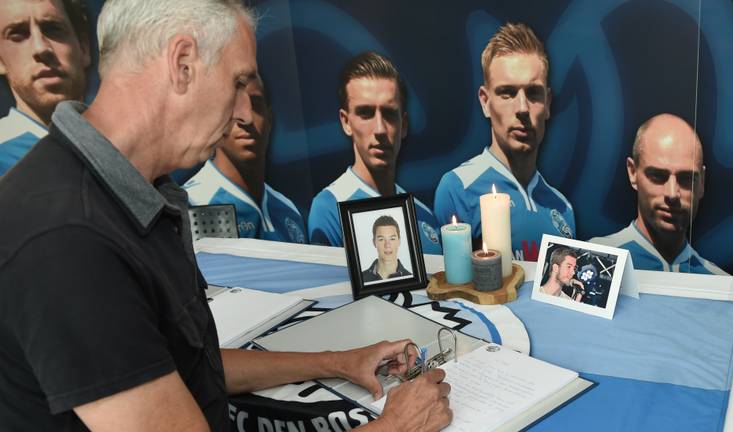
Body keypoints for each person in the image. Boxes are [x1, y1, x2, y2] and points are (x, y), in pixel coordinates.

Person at [0, 1, 452, 431]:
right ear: (183, 64)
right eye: (238, 83)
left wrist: (339, 360)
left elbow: (186, 365)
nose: (243, 115)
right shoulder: (67, 240)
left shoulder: (131, 192)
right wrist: (396, 425)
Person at [434, 23, 575, 261]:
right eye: (507, 93)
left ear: (548, 103)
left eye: (533, 93)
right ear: (485, 101)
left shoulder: (563, 209)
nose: (522, 108)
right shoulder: (457, 189)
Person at [308, 52, 442, 254]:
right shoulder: (329, 209)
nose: (379, 129)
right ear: (346, 122)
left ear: (403, 125)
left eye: (389, 114)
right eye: (366, 113)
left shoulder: (424, 216)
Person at [590, 114, 727, 275]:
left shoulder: (720, 284)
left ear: (702, 182)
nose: (672, 193)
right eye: (657, 176)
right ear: (633, 172)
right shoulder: (593, 262)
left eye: (686, 179)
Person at [183, 75, 307, 243]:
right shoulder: (194, 203)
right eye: (233, 106)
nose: (246, 118)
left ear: (269, 119)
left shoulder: (288, 210)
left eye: (255, 104)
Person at [0, 0, 90, 176]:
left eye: (53, 29)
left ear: (84, 48)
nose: (41, 49)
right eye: (18, 34)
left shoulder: (128, 150)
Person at [362, 215, 412, 282]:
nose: (387, 245)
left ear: (399, 241)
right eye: (381, 239)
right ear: (374, 242)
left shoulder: (410, 279)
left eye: (392, 239)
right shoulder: (361, 279)